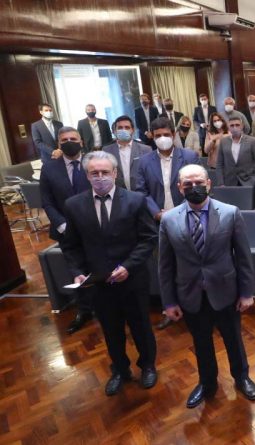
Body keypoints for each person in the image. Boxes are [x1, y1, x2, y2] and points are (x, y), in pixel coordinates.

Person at [159, 164, 255, 408]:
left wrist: (247, 292)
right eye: (188, 184)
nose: (194, 187)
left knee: (233, 339)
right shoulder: (169, 219)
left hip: (226, 291)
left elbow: (243, 256)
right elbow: (165, 265)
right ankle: (207, 383)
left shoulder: (230, 213)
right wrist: (169, 302)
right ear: (179, 188)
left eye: (199, 183)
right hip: (190, 294)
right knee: (201, 342)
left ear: (208, 184)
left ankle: (242, 377)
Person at [60, 151, 158, 396]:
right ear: (87, 175)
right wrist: (77, 272)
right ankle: (120, 370)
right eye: (94, 173)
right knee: (111, 330)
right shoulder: (74, 205)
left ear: (115, 173)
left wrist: (128, 266)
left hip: (133, 278)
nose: (100, 177)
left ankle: (147, 365)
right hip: (99, 282)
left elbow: (148, 238)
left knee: (141, 326)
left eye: (105, 172)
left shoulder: (135, 200)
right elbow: (71, 245)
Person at [40, 127, 93, 333]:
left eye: (73, 138)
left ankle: (106, 305)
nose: (69, 142)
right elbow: (47, 201)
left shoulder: (93, 163)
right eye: (64, 140)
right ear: (58, 144)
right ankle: (84, 310)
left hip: (94, 227)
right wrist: (61, 224)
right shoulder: (49, 168)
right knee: (76, 270)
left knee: (100, 265)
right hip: (65, 230)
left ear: (81, 142)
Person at [134, 117, 199, 221]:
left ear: (173, 135)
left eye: (166, 134)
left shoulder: (190, 157)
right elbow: (142, 192)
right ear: (153, 137)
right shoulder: (144, 161)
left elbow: (197, 187)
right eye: (158, 136)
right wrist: (156, 213)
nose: (162, 138)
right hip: (157, 220)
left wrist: (179, 212)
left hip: (187, 216)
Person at [103, 116, 150, 191]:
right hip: (118, 193)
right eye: (120, 128)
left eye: (127, 127)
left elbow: (149, 175)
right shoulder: (106, 151)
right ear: (115, 131)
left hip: (141, 193)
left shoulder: (146, 149)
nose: (123, 130)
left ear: (133, 130)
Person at [216, 117, 255, 187]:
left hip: (247, 182)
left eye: (237, 125)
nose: (235, 127)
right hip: (229, 182)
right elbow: (219, 164)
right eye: (232, 125)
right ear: (228, 127)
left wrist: (254, 179)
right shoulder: (223, 141)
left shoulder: (252, 141)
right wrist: (221, 183)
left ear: (242, 126)